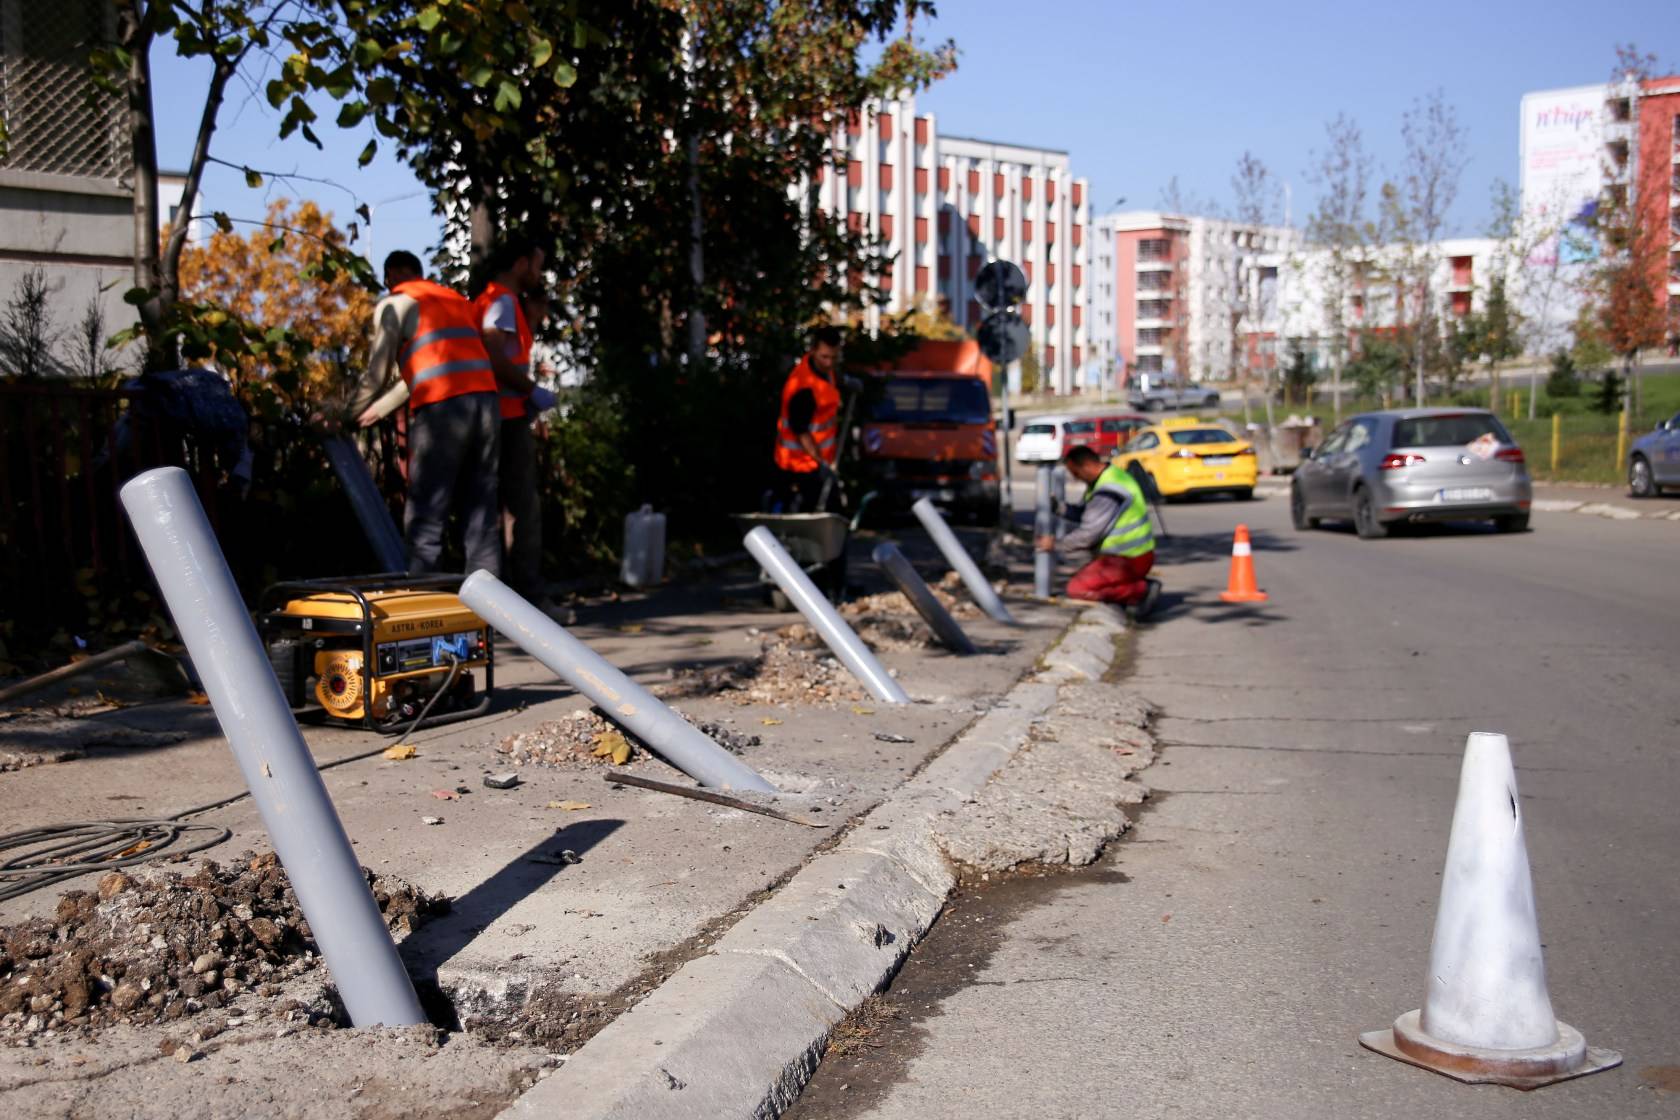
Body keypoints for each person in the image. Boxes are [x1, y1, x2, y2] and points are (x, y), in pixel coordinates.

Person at [345, 250, 501, 577]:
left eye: (388, 280)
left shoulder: (396, 303)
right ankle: (490, 614)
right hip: (486, 404)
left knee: (427, 515)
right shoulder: (454, 300)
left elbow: (377, 373)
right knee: (481, 513)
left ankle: (425, 607)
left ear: (393, 275)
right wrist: (377, 410)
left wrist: (345, 415)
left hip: (443, 408)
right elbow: (416, 375)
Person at [472, 238, 549, 605]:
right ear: (521, 264)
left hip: (498, 414)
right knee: (522, 508)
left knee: (495, 508)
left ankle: (501, 598)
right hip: (506, 417)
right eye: (536, 265)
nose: (539, 273)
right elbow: (495, 356)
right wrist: (532, 390)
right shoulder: (501, 301)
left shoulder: (494, 299)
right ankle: (528, 599)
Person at [1039, 444, 1161, 620]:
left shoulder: (1108, 490)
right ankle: (1132, 591)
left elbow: (1089, 534)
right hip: (1130, 555)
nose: (1076, 478)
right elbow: (1086, 513)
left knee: (1078, 589)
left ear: (1087, 466)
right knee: (1085, 582)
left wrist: (1056, 544)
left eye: (1076, 473)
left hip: (1128, 558)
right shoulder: (1109, 477)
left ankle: (1141, 590)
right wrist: (1059, 508)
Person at [773, 325, 844, 511]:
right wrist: (822, 464)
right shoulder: (803, 387)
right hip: (800, 465)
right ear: (812, 351)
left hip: (817, 463)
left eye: (833, 357)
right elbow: (800, 431)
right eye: (824, 357)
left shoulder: (824, 371)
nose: (829, 363)